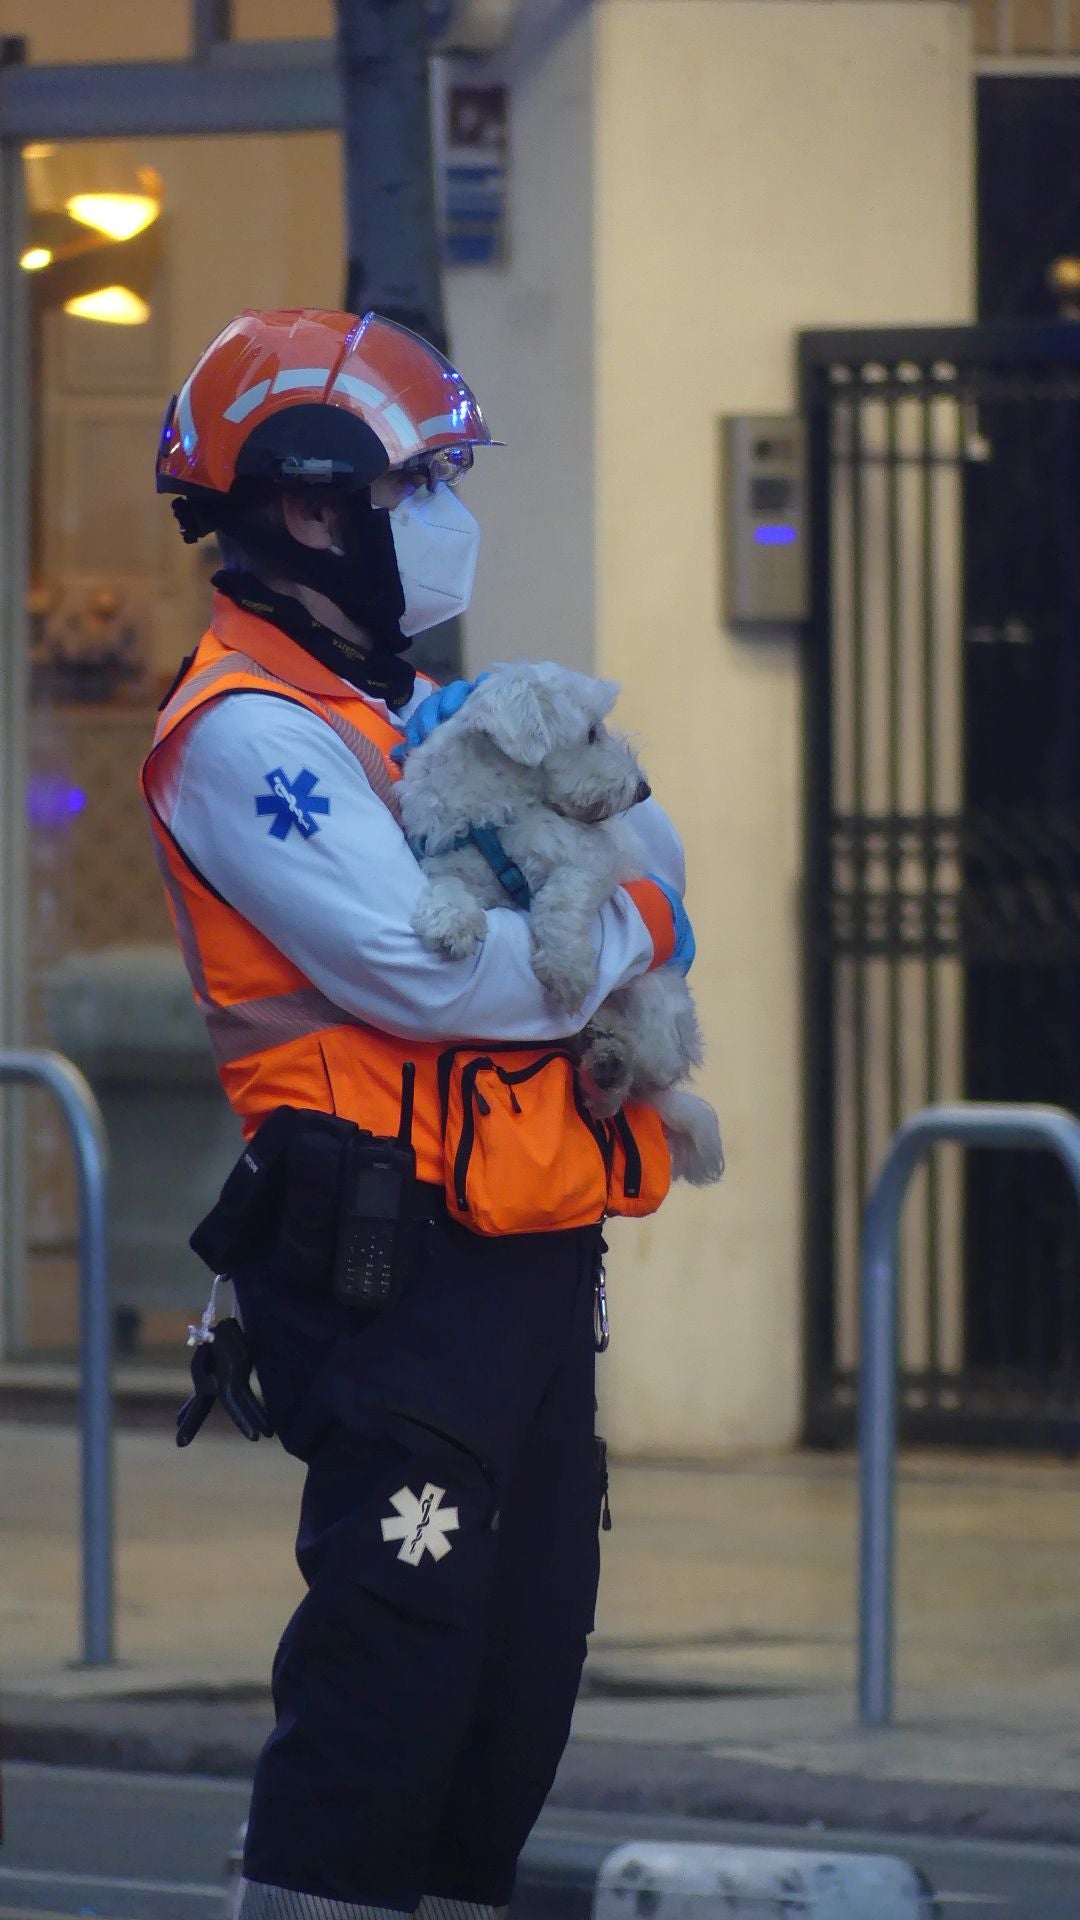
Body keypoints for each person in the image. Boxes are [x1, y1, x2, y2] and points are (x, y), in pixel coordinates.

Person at [141, 308, 697, 1920]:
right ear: (311, 506)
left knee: (512, 1700)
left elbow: (651, 846)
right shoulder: (248, 734)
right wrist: (626, 938)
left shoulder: (423, 705)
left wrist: (623, 925)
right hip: (389, 1269)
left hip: (521, 1252)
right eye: (423, 479)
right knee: (392, 1685)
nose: (449, 512)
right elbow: (427, 977)